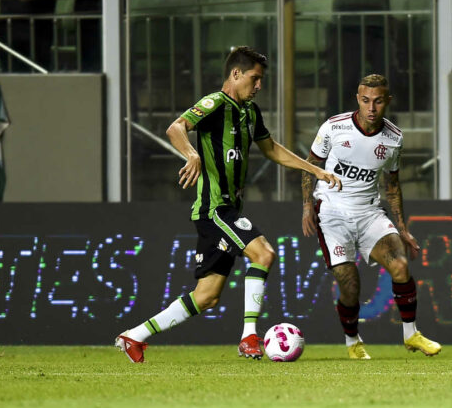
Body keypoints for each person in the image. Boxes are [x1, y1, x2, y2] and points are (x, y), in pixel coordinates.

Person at [115, 46, 342, 363]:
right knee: (264, 253)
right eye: (255, 78)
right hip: (214, 208)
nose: (259, 85)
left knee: (206, 297)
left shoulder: (250, 112)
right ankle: (249, 336)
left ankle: (133, 336)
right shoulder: (215, 104)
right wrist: (191, 153)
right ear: (236, 74)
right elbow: (176, 127)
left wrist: (314, 169)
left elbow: (272, 149)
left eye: (261, 79)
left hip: (228, 210)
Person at [301, 74, 441, 360]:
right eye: (366, 101)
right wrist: (306, 206)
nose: (371, 108)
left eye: (378, 101)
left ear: (387, 101)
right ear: (358, 99)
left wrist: (402, 228)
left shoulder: (393, 138)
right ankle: (353, 341)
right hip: (331, 213)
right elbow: (309, 165)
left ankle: (411, 334)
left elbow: (392, 185)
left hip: (369, 212)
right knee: (350, 285)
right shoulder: (333, 127)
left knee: (401, 266)